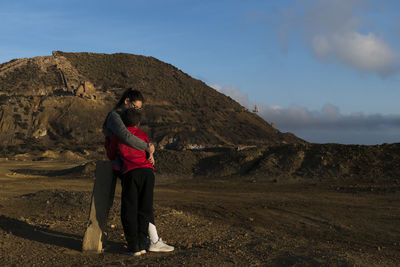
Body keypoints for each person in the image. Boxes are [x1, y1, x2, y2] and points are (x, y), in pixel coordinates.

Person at [103, 88, 174, 253]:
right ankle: (144, 242)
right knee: (139, 207)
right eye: (135, 107)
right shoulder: (114, 116)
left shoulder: (128, 122)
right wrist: (148, 149)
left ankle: (142, 243)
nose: (137, 111)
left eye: (139, 109)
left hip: (129, 167)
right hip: (129, 166)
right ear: (126, 101)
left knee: (138, 207)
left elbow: (122, 141)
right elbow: (126, 136)